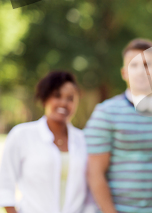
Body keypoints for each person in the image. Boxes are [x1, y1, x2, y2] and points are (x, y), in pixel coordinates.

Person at [84, 38, 152, 213]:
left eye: (147, 64)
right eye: (134, 65)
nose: (141, 71)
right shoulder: (105, 113)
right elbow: (95, 174)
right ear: (124, 73)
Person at [0, 71, 96, 213]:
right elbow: (4, 182)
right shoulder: (22, 135)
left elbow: (90, 191)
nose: (64, 102)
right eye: (57, 96)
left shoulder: (84, 140)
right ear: (45, 98)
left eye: (70, 98)